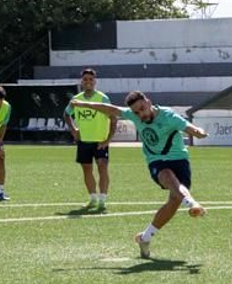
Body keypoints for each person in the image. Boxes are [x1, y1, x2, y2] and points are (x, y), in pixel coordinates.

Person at [69, 90, 207, 258]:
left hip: (180, 159)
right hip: (156, 161)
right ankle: (191, 202)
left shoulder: (168, 116)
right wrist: (82, 104)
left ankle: (145, 237)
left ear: (148, 102)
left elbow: (188, 127)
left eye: (142, 109)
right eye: (136, 112)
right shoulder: (133, 115)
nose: (141, 114)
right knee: (167, 175)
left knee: (174, 201)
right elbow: (108, 108)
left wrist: (198, 131)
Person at [64, 68, 114, 210]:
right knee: (87, 170)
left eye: (91, 79)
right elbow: (66, 114)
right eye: (85, 79)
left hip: (100, 141)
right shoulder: (76, 99)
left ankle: (103, 200)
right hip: (83, 141)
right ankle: (92, 199)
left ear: (95, 81)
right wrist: (73, 129)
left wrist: (108, 140)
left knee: (102, 168)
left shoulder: (103, 98)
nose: (88, 82)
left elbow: (113, 118)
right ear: (82, 81)